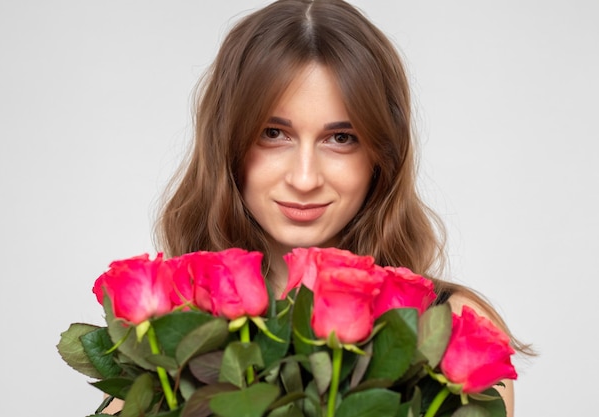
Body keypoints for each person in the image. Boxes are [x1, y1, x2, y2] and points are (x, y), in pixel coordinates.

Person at [108, 0, 534, 415]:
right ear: (227, 145)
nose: (305, 178)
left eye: (341, 138)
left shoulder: (457, 329)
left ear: (380, 156)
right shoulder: (160, 334)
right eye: (274, 133)